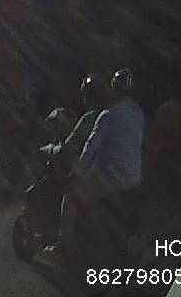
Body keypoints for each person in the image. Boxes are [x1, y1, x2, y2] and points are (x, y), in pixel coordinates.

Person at [39, 69, 145, 266]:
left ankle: (63, 247)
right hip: (135, 177)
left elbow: (88, 149)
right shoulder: (136, 111)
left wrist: (74, 174)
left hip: (113, 180)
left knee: (71, 194)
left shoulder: (106, 116)